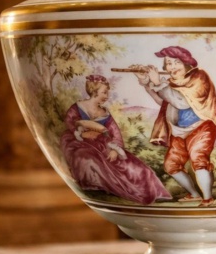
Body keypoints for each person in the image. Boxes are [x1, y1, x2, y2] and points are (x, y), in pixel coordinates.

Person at [133, 46, 216, 207]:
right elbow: (164, 102)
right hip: (179, 131)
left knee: (198, 159)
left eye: (177, 62)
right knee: (171, 165)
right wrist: (147, 83)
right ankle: (194, 194)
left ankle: (208, 198)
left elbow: (182, 103)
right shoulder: (172, 83)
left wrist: (158, 83)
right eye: (169, 63)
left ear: (186, 63)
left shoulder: (199, 77)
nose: (172, 67)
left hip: (201, 127)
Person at [60, 74, 172, 205]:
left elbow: (116, 134)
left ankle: (154, 193)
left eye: (107, 92)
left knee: (136, 167)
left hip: (103, 145)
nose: (107, 95)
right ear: (94, 91)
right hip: (79, 143)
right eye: (104, 92)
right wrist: (80, 132)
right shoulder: (78, 107)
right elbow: (70, 121)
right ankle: (97, 189)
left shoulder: (105, 113)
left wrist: (115, 150)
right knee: (87, 158)